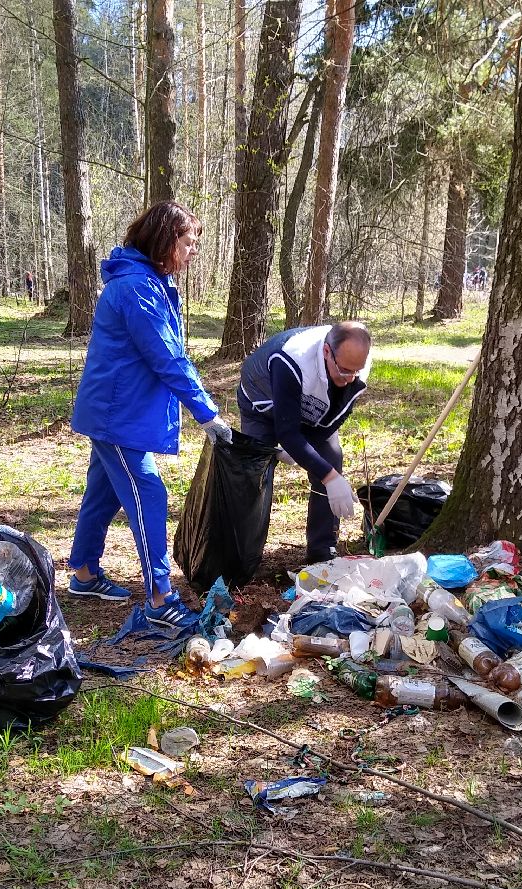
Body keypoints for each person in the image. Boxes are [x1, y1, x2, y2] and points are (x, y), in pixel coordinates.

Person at [66, 200, 231, 630]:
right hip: (117, 416)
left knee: (102, 494)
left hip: (118, 410)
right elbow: (167, 357)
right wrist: (206, 412)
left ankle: (83, 573)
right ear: (166, 239)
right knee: (148, 494)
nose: (193, 251)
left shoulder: (150, 282)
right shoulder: (137, 288)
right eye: (189, 242)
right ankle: (160, 597)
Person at [236, 321, 372, 563]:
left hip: (311, 410)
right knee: (255, 472)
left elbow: (332, 421)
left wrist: (324, 471)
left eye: (356, 372)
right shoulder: (291, 358)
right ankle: (243, 555)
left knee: (330, 458)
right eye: (344, 371)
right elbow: (287, 432)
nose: (350, 379)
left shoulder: (356, 367)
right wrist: (288, 447)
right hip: (263, 401)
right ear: (327, 352)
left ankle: (322, 550)